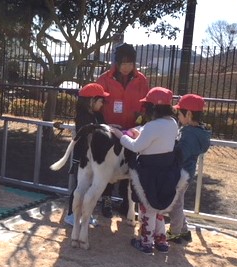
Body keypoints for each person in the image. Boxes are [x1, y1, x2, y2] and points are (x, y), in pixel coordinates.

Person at [112, 87, 180, 254]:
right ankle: (161, 241)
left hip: (149, 170)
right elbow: (157, 138)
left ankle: (146, 242)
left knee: (147, 207)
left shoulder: (152, 126)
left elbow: (136, 146)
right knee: (158, 207)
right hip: (166, 170)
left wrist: (122, 136)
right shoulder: (173, 123)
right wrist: (141, 132)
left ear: (152, 108)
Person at [96, 43, 149, 218]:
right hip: (110, 131)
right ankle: (107, 200)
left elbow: (146, 104)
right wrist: (104, 125)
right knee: (109, 167)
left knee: (131, 167)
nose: (126, 67)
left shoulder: (141, 80)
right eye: (123, 63)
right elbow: (97, 103)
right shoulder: (104, 79)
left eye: (130, 63)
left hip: (132, 132)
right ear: (116, 63)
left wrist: (140, 120)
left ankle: (127, 204)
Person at [167, 94, 211, 243]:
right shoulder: (199, 132)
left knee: (175, 204)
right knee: (178, 201)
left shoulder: (188, 134)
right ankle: (184, 231)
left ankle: (175, 233)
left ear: (189, 114)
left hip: (181, 173)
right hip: (188, 172)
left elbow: (180, 154)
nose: (178, 116)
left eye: (179, 113)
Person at [65, 83, 109, 226]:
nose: (102, 104)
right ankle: (72, 214)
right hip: (83, 156)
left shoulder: (97, 115)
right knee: (80, 186)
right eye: (101, 100)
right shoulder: (83, 117)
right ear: (91, 100)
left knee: (90, 186)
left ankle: (84, 213)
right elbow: (89, 134)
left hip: (94, 158)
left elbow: (103, 129)